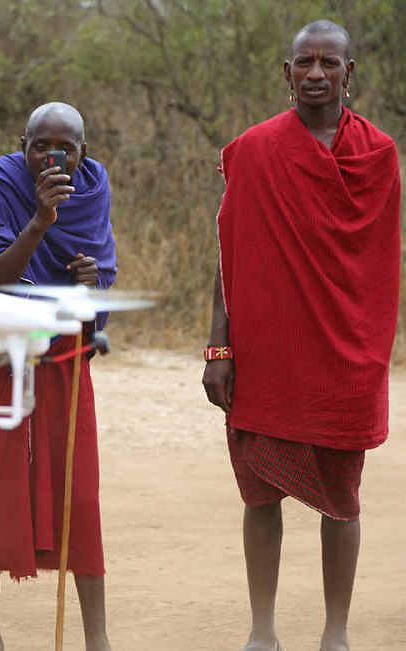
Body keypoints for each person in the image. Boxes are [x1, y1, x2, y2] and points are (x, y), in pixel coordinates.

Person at [202, 20, 400, 651]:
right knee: (262, 492)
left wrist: (371, 353)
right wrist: (218, 349)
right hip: (267, 354)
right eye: (305, 63)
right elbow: (229, 257)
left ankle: (335, 632)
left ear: (350, 73)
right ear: (286, 74)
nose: (317, 73)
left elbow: (377, 266)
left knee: (342, 499)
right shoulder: (255, 151)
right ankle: (263, 630)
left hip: (348, 354)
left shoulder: (379, 156)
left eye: (330, 63)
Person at [0, 102, 117, 651]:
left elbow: (100, 272)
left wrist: (90, 284)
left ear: (83, 151)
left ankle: (98, 639)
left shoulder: (93, 187)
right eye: (41, 145)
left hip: (62, 360)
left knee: (78, 496)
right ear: (23, 145)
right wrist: (40, 222)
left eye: (65, 147)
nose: (53, 156)